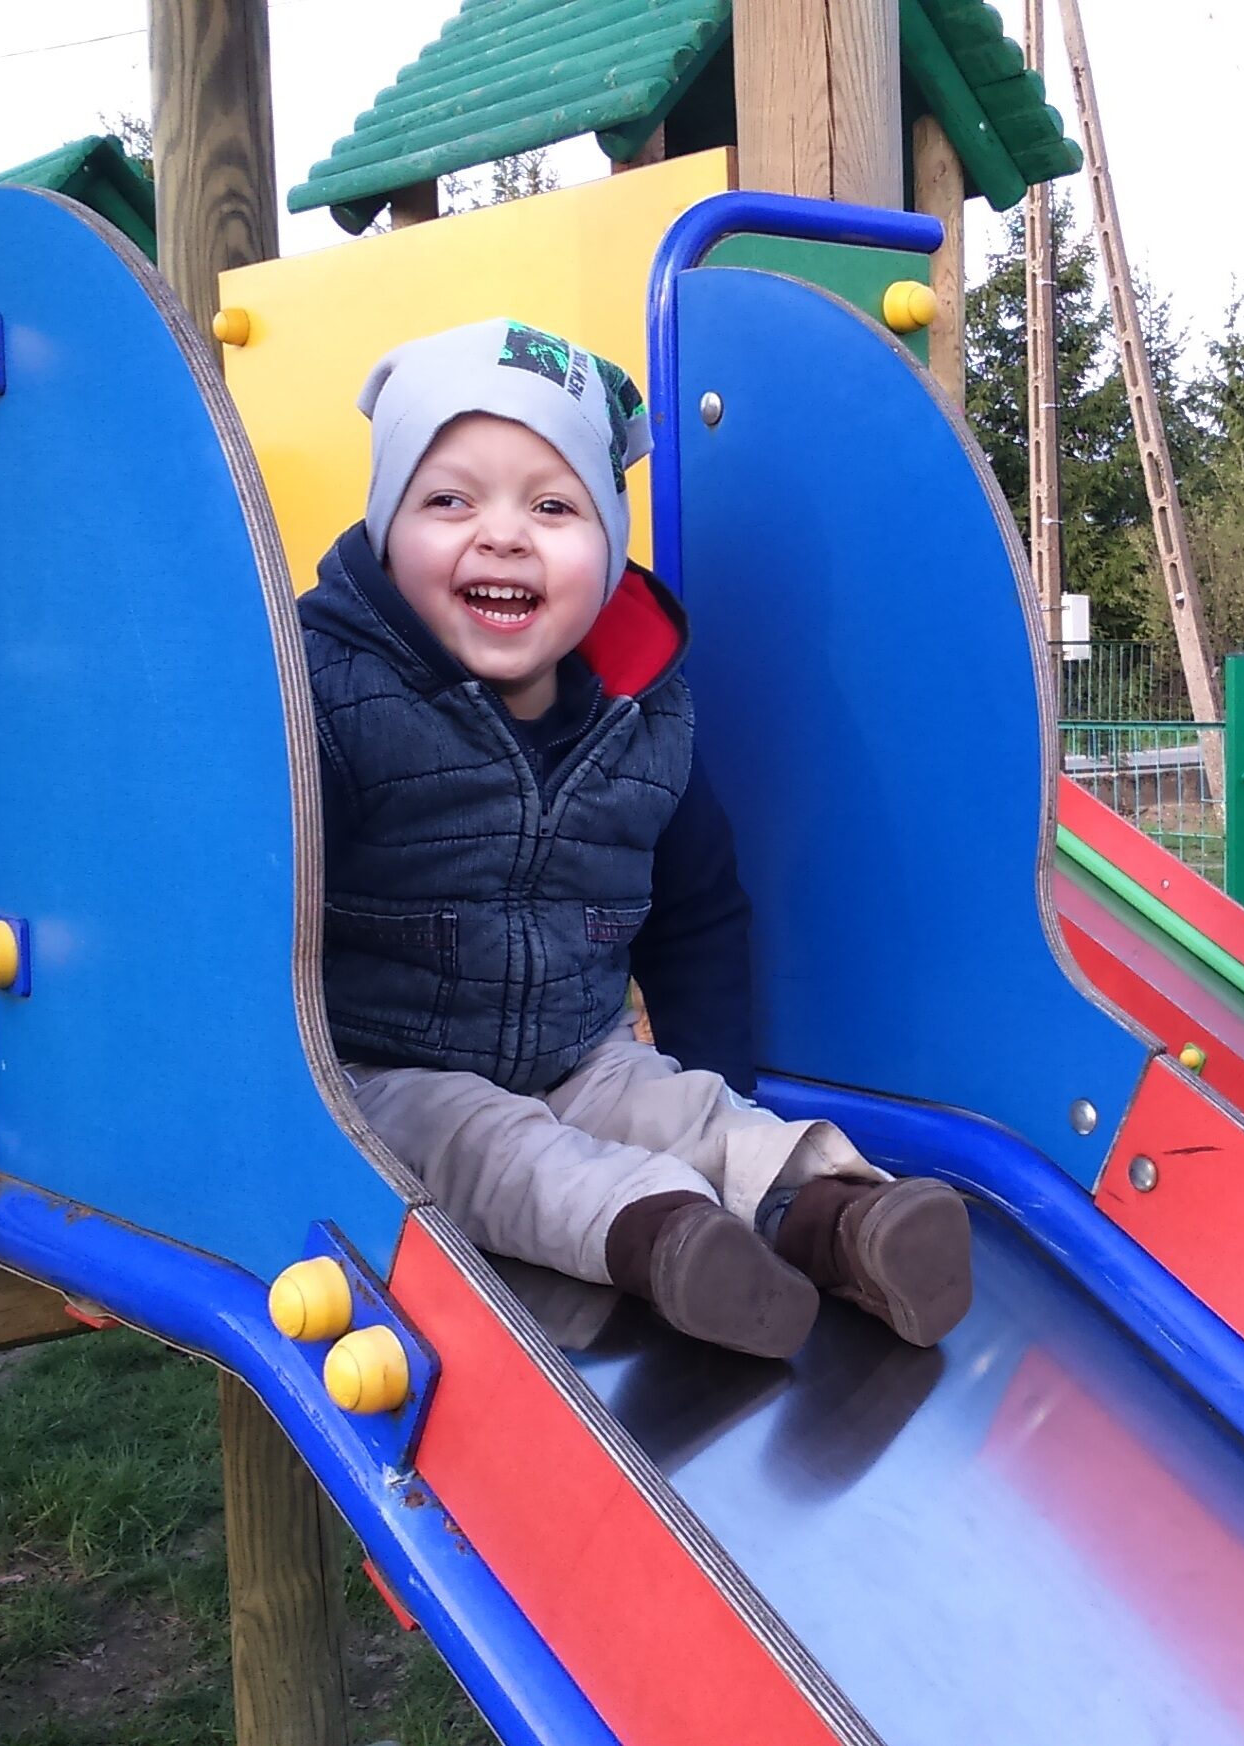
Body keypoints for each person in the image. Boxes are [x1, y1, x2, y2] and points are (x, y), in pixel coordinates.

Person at [299, 318, 972, 1358]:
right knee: (489, 1149)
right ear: (386, 530)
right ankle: (665, 1240)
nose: (503, 535)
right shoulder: (328, 694)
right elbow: (252, 903)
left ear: (609, 550)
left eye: (553, 506)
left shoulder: (642, 713)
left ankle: (840, 1220)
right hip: (388, 1071)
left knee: (686, 1110)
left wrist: (717, 1075)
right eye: (449, 501)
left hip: (582, 1052)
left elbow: (695, 912)